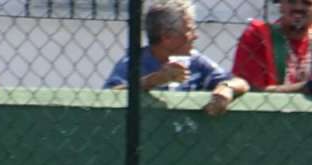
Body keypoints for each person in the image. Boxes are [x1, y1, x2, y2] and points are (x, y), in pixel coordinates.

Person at [103, 0, 248, 117]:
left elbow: (240, 82)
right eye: (190, 30)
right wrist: (155, 80)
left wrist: (227, 88)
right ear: (167, 37)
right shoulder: (133, 62)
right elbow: (109, 96)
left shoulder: (195, 61)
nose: (196, 36)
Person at [232, 0, 312, 93]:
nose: (298, 8)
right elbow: (251, 90)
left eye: (307, 3)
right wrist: (305, 88)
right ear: (280, 4)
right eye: (292, 1)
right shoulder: (258, 36)